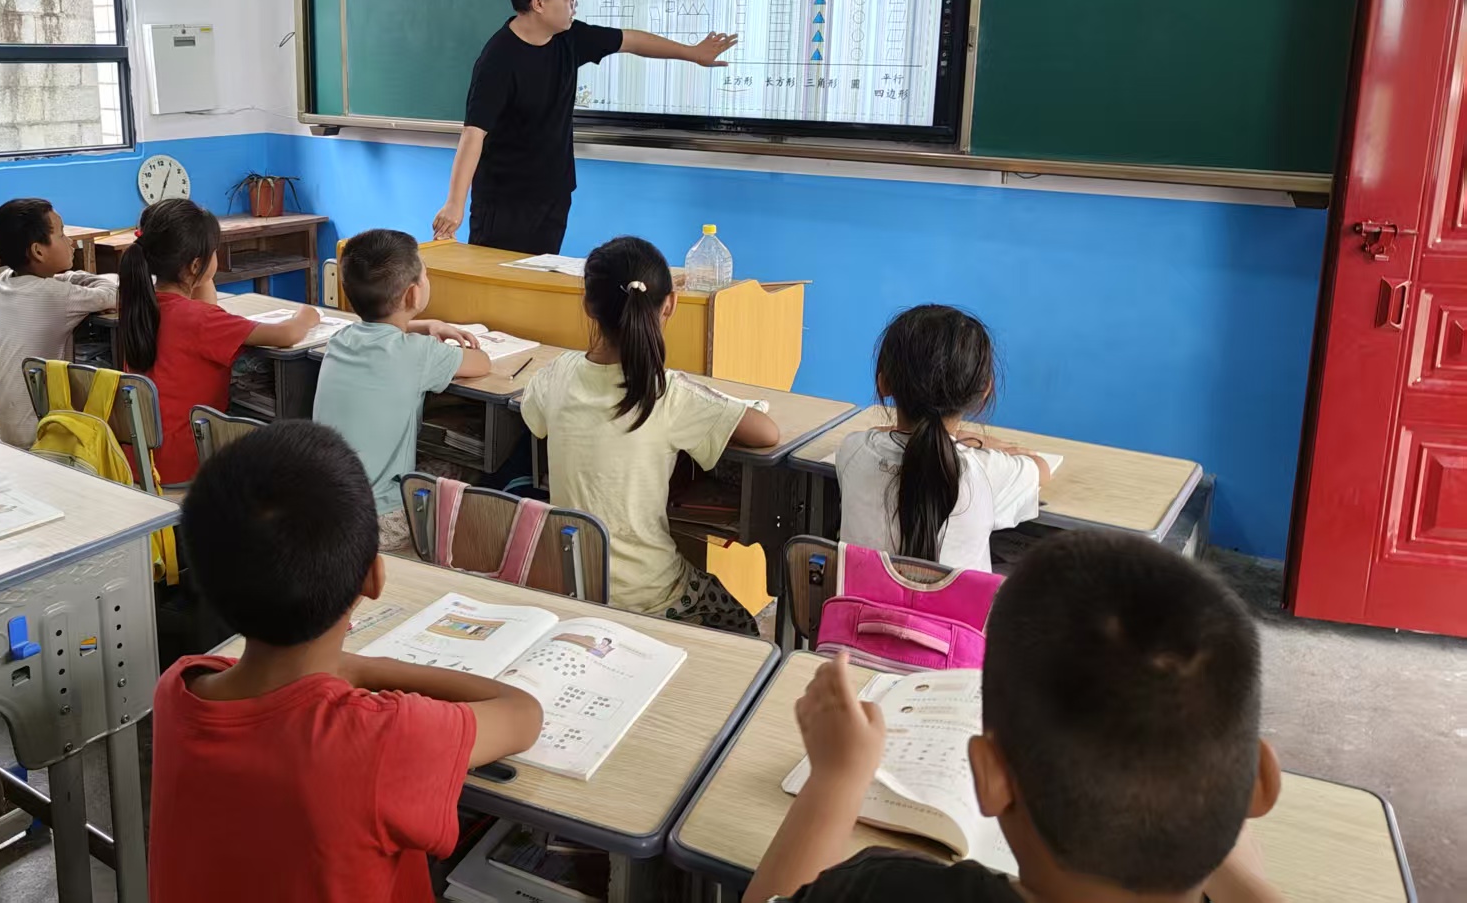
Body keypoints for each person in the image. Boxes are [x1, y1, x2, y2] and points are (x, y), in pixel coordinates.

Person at [745, 531, 1285, 903]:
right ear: (1258, 784)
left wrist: (836, 780)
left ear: (990, 777)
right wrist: (1207, 831)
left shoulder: (888, 890)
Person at [149, 420, 543, 902]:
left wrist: (343, 670)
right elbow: (523, 714)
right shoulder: (379, 739)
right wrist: (359, 668)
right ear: (374, 578)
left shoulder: (178, 689)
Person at [521, 236, 779, 633]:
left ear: (588, 305)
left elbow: (533, 417)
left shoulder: (557, 373)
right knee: (743, 626)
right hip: (650, 596)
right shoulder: (668, 392)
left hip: (570, 583)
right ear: (670, 304)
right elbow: (766, 432)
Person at [432, 0, 737, 255]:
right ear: (539, 3)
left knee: (540, 277)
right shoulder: (498, 60)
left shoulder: (570, 38)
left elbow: (631, 41)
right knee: (499, 282)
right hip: (505, 203)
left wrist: (692, 53)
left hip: (554, 197)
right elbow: (474, 134)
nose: (573, 3)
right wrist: (455, 204)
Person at [115, 198, 317, 485]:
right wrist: (307, 314)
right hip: (186, 462)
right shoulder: (199, 320)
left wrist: (199, 273)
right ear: (196, 264)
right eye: (214, 251)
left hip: (142, 461)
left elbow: (204, 307)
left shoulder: (141, 304)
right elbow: (288, 335)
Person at [312, 229, 491, 551]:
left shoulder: (340, 339)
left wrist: (427, 325)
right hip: (381, 523)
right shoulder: (418, 353)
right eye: (425, 274)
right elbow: (481, 363)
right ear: (412, 295)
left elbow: (382, 329)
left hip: (327, 512)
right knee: (471, 462)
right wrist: (430, 334)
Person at [836, 306, 1052, 571]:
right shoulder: (984, 472)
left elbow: (883, 435)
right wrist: (975, 442)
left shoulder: (853, 450)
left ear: (884, 383)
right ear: (984, 391)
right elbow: (1041, 469)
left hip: (860, 599)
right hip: (961, 602)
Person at [0, 197, 119, 446]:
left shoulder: (5, 281)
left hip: (5, 424)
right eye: (62, 234)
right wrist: (85, 279)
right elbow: (114, 295)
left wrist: (72, 277)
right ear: (38, 251)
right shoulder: (54, 296)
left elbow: (60, 282)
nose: (70, 242)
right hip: (39, 434)